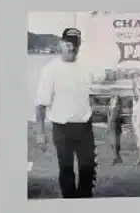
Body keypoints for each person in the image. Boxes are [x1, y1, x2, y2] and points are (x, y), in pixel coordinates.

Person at [32, 27, 96, 197]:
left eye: (75, 44)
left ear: (80, 45)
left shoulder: (87, 66)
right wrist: (40, 134)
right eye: (68, 44)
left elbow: (104, 77)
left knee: (88, 168)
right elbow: (40, 104)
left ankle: (85, 200)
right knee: (66, 169)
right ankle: (68, 203)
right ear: (61, 44)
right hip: (62, 128)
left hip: (85, 126)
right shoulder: (50, 70)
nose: (72, 48)